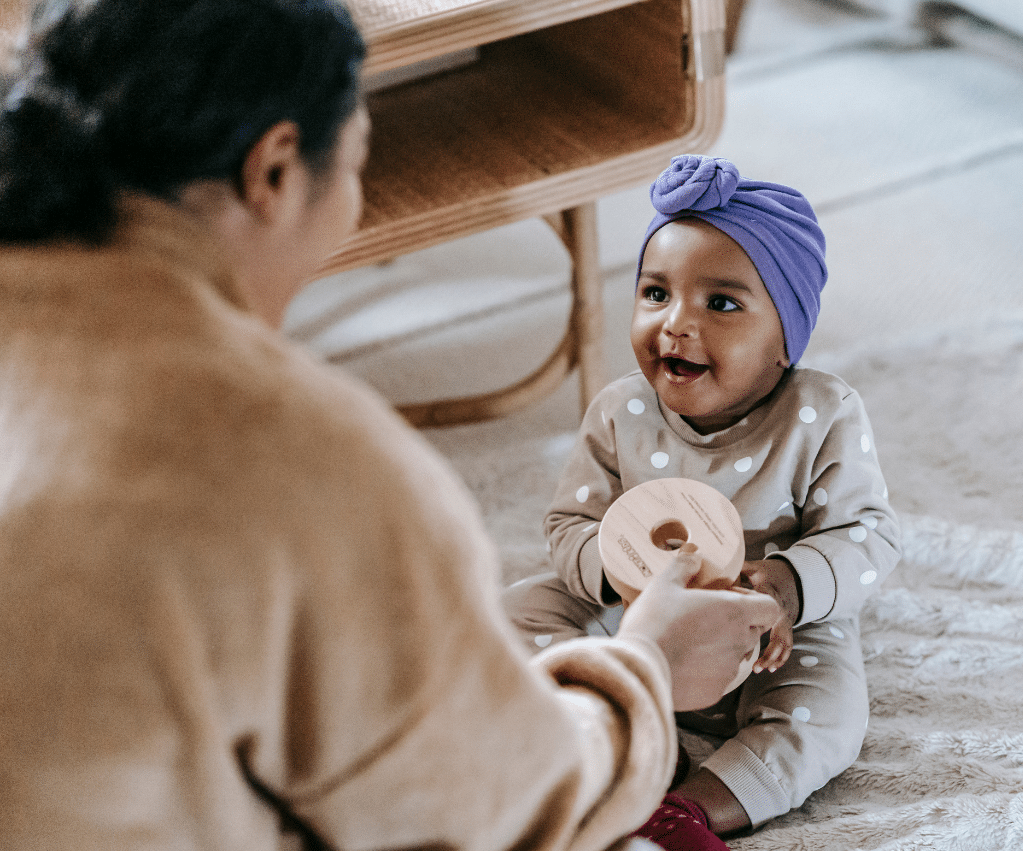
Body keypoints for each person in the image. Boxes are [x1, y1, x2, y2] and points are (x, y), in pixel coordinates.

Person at [0, 3, 782, 850]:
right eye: (358, 165)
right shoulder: (307, 459)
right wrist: (646, 666)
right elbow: (493, 809)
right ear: (274, 170)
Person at [504, 155, 903, 848]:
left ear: (787, 340)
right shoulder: (621, 409)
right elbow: (569, 522)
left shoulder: (821, 412)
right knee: (515, 614)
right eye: (656, 293)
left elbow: (870, 534)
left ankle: (687, 807)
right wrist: (615, 572)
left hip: (771, 633)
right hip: (633, 617)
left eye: (721, 304)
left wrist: (790, 585)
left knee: (830, 709)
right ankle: (597, 745)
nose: (676, 324)